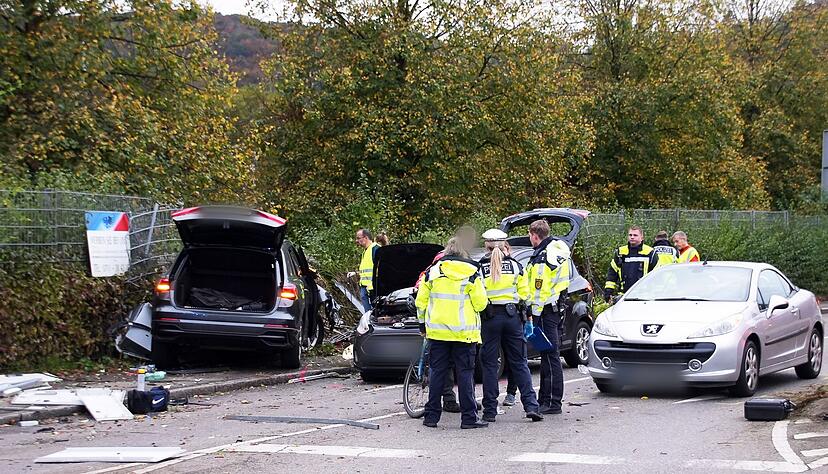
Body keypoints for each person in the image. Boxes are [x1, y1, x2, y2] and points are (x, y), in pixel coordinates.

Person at [416, 237, 489, 429]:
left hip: (438, 333)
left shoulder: (432, 272)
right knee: (465, 375)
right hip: (464, 334)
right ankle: (468, 419)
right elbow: (481, 303)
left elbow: (420, 302)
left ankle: (431, 417)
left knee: (437, 374)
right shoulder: (472, 273)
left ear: (446, 251)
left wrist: (422, 324)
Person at [478, 229, 543, 423]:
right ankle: (532, 406)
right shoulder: (516, 266)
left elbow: (478, 297)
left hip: (490, 318)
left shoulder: (480, 267)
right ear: (504, 245)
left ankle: (490, 410)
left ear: (487, 246)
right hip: (513, 317)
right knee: (519, 362)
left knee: (490, 365)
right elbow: (525, 294)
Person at [523, 220, 570, 415]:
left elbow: (540, 289)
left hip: (545, 310)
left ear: (534, 235)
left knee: (550, 356)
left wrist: (533, 313)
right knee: (548, 355)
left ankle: (552, 401)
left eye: (529, 236)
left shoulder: (544, 256)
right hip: (553, 309)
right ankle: (547, 398)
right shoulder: (555, 250)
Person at [603, 226, 658, 300]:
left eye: (635, 235)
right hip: (624, 295)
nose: (632, 237)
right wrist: (608, 291)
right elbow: (612, 273)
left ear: (642, 237)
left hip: (644, 296)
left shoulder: (650, 253)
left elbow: (656, 275)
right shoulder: (620, 252)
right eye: (630, 235)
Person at [350, 228, 379, 311]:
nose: (357, 241)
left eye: (358, 238)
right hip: (365, 286)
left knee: (375, 311)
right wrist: (355, 273)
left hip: (373, 287)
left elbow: (380, 268)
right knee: (368, 312)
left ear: (365, 238)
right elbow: (366, 269)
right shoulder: (365, 251)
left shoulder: (375, 249)